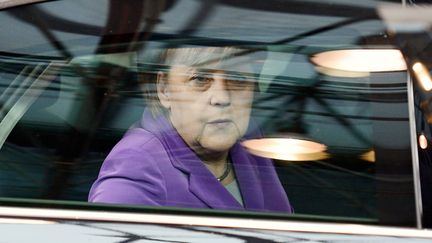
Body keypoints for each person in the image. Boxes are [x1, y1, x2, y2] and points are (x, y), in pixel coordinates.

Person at [88, 47, 293, 213]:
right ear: (164, 89)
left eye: (237, 78)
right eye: (200, 79)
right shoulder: (135, 163)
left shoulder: (249, 140)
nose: (222, 97)